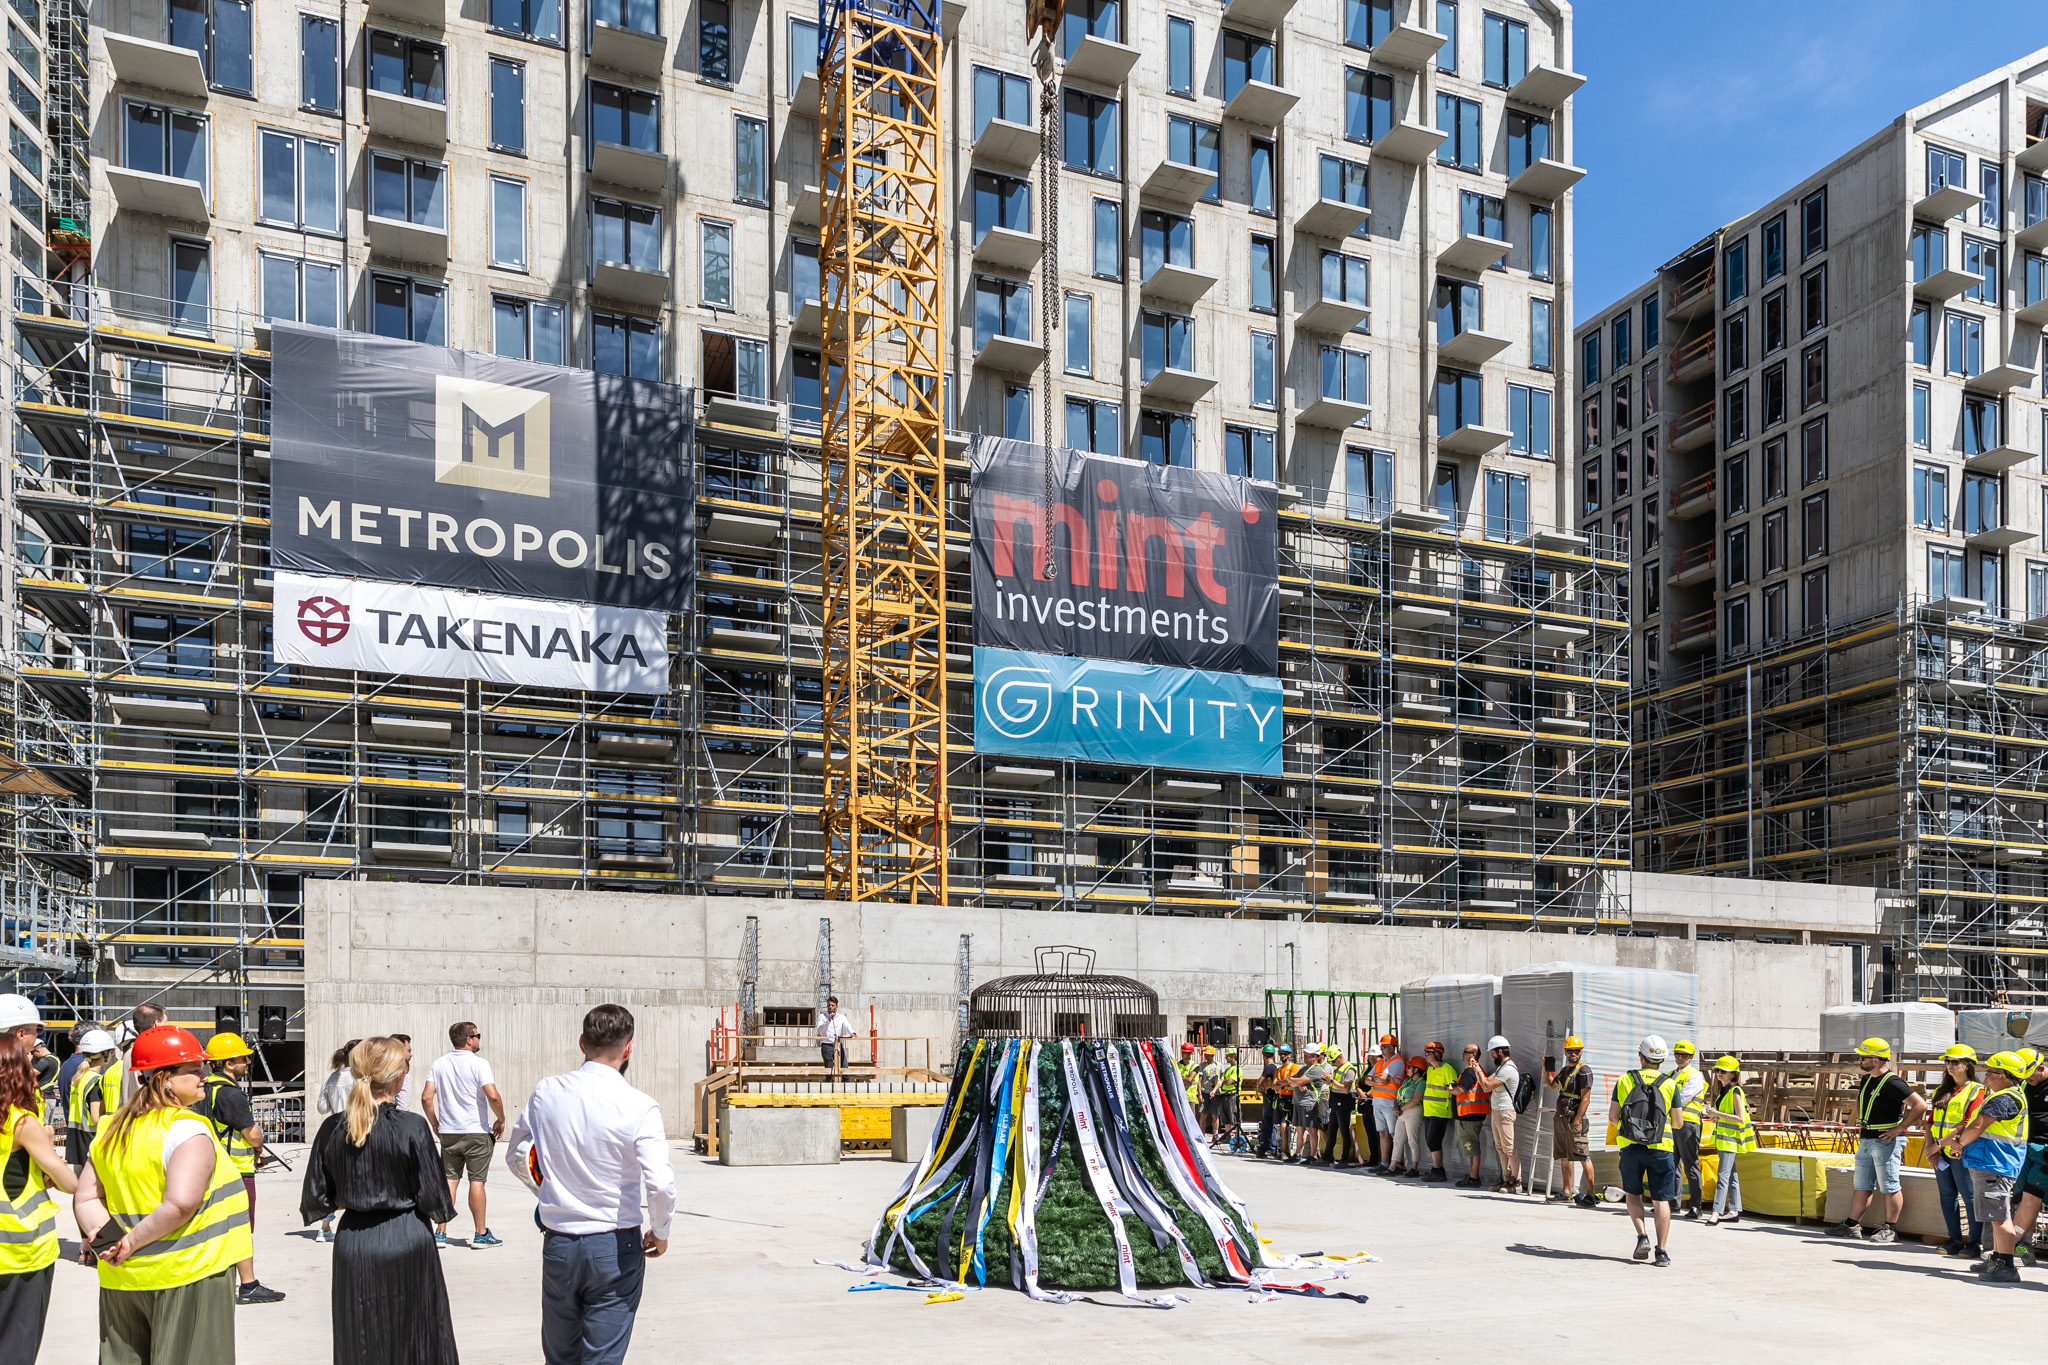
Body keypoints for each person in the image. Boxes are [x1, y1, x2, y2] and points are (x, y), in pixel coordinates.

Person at [506, 1004, 675, 1365]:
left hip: (560, 1243)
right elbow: (660, 1183)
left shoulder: (545, 1093)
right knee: (602, 1357)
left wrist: (550, 1191)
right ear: (628, 1048)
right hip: (614, 1245)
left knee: (561, 1355)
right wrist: (660, 1231)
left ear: (582, 1042)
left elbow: (517, 1155)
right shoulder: (640, 1106)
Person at [72, 1025, 253, 1363]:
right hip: (188, 1276)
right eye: (193, 1068)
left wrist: (110, 1243)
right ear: (163, 1078)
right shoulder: (187, 1128)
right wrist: (131, 1242)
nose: (203, 1074)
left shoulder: (113, 1129)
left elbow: (85, 1198)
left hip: (122, 1281)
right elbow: (180, 1204)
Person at [300, 1037, 458, 1365]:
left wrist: (356, 1194)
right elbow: (436, 1198)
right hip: (408, 1236)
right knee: (417, 1334)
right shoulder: (412, 1127)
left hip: (354, 1242)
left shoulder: (332, 1128)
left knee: (360, 1335)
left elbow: (317, 1197)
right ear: (400, 1077)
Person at [0, 1033, 77, 1361]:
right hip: (21, 1248)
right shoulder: (21, 1122)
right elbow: (68, 1183)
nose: (35, 1067)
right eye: (28, 1059)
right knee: (17, 1341)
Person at [195, 1031, 285, 1304]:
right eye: (242, 1058)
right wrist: (258, 1149)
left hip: (212, 1166)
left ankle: (216, 1283)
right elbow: (253, 1133)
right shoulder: (232, 1095)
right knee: (241, 1228)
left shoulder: (204, 1088)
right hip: (237, 1170)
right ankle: (248, 1285)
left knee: (217, 1226)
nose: (247, 1062)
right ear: (227, 1063)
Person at [1939, 1050, 2030, 1284]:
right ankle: (1998, 1258)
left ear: (2005, 1076)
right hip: (1991, 1162)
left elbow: (1978, 1125)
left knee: (2000, 1217)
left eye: (1991, 1072)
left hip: (1996, 1164)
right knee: (1995, 1215)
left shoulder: (2006, 1098)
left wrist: (1958, 1145)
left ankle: (2007, 1266)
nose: (1986, 1075)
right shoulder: (2003, 1095)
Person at [1826, 1037, 1928, 1243]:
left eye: (1864, 1057)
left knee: (1889, 1185)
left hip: (1885, 1141)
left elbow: (1920, 1105)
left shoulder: (1893, 1082)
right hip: (1867, 1139)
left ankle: (1890, 1228)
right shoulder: (1866, 1080)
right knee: (1862, 1184)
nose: (1860, 1061)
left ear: (1877, 1060)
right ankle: (1852, 1224)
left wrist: (1899, 1129)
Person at [422, 1020, 505, 1249]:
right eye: (478, 1035)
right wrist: (501, 1119)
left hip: (449, 1132)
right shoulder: (480, 1064)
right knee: (476, 1181)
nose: (479, 1039)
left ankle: (440, 1232)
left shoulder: (439, 1064)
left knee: (450, 1180)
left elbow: (426, 1097)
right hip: (476, 1132)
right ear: (469, 1039)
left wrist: (435, 1123)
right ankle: (480, 1234)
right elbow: (493, 1096)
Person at [1613, 1034, 1680, 1266]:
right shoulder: (1670, 1084)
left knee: (1633, 1194)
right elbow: (1679, 1123)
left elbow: (1613, 1117)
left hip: (1631, 1147)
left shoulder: (1624, 1081)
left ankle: (1642, 1236)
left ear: (1641, 1056)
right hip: (1661, 1149)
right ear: (1662, 1060)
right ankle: (1661, 1252)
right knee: (1661, 1200)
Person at [1924, 1043, 1985, 1258]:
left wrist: (1937, 1145)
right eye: (1947, 1062)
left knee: (1969, 1196)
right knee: (1947, 1195)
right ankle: (1954, 1239)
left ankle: (1975, 1242)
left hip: (1961, 1151)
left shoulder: (1977, 1091)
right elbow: (1930, 1122)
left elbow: (1968, 1124)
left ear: (1968, 1065)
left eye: (1955, 1062)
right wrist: (1929, 1148)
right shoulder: (1943, 1090)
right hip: (1941, 1151)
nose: (1949, 1066)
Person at [313, 1041, 361, 1243]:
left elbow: (322, 1107)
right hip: (354, 1130)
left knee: (332, 1180)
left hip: (333, 1131)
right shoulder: (359, 1079)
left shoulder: (331, 1078)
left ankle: (325, 1226)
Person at [2005, 1050, 2048, 1269]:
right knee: (2022, 1198)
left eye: (2031, 1075)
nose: (2028, 1079)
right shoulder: (2022, 1085)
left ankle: (2007, 1248)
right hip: (2024, 1147)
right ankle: (2025, 1247)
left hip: (2045, 1150)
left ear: (2041, 1068)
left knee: (2033, 1196)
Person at [1545, 1035, 1598, 1208]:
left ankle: (1590, 1195)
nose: (1573, 1053)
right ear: (1565, 1052)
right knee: (1565, 1156)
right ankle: (1566, 1192)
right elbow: (1552, 1085)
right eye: (1569, 1051)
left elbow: (1586, 1099)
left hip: (1574, 1119)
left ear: (1581, 1051)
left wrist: (1577, 1120)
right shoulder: (1566, 1070)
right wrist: (1547, 1069)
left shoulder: (1584, 1070)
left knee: (1583, 1156)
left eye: (1576, 1050)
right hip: (1561, 1117)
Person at [1704, 1056, 1757, 1225]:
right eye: (1717, 1071)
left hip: (1730, 1141)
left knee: (1723, 1176)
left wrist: (1717, 1114)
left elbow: (1740, 1118)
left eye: (1723, 1071)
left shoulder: (1735, 1091)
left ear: (1733, 1075)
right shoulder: (1724, 1091)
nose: (1719, 1074)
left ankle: (1716, 1212)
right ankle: (1734, 1210)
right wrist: (1716, 1118)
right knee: (1731, 1176)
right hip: (1724, 1139)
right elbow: (1729, 1116)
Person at [1471, 1035, 1523, 1193]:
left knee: (1509, 1148)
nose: (1491, 1055)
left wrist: (1477, 1068)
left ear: (1500, 1051)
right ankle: (1506, 1180)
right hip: (1497, 1111)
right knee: (1500, 1148)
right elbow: (1486, 1081)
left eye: (1492, 1052)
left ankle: (1518, 1182)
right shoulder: (1502, 1068)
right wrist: (1478, 1069)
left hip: (1505, 1111)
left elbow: (1486, 1086)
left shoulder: (1508, 1069)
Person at [65, 1030, 120, 1172]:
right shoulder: (95, 1081)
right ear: (105, 1054)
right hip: (90, 1138)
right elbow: (96, 1118)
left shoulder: (79, 1077)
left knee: (80, 1187)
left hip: (76, 1137)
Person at [1667, 1040, 1707, 1218]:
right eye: (1677, 1054)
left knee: (1690, 1165)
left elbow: (1681, 1098)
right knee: (1671, 1164)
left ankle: (1695, 1206)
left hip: (1688, 1124)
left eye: (1684, 1055)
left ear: (1691, 1057)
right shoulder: (1670, 1075)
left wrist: (1663, 1103)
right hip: (1672, 1124)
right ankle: (1673, 1203)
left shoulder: (1695, 1075)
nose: (1680, 1058)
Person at [1451, 1044, 1489, 1187]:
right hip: (1473, 1114)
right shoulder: (1477, 1070)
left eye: (1465, 1052)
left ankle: (1474, 1177)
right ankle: (1472, 1175)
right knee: (1471, 1146)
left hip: (1468, 1115)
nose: (1462, 1055)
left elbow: (1460, 1090)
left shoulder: (1470, 1071)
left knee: (1471, 1147)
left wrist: (1450, 1089)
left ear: (1472, 1055)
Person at [1365, 1035, 1405, 1172]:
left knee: (1394, 1134)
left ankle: (1398, 1164)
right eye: (1381, 1047)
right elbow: (1366, 1080)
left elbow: (1382, 1077)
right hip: (1378, 1101)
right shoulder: (1380, 1062)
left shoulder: (1397, 1062)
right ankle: (1384, 1163)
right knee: (1383, 1133)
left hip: (1390, 1102)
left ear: (1393, 1047)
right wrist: (1378, 1079)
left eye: (1385, 1047)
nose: (1382, 1049)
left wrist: (1376, 1079)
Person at [1420, 1041, 1457, 1183]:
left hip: (1440, 1111)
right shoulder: (1430, 1070)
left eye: (1428, 1053)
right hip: (1429, 1111)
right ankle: (1436, 1170)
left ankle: (1438, 1171)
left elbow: (1454, 1088)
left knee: (1434, 1141)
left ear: (1437, 1054)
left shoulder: (1447, 1069)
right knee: (1430, 1142)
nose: (1426, 1056)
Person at [117, 1003, 166, 1105]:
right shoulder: (153, 1051)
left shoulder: (129, 1053)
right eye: (165, 1022)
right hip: (150, 1116)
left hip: (133, 1115)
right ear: (157, 1023)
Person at [1253, 1043, 1281, 1157]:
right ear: (1273, 1055)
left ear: (1264, 1056)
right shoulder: (1275, 1067)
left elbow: (1259, 1081)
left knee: (1267, 1122)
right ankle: (1272, 1147)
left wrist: (1259, 1088)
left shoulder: (1269, 1067)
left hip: (1269, 1097)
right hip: (1274, 1097)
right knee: (1272, 1122)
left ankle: (1265, 1147)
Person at [816, 996, 856, 1078]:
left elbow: (847, 1026)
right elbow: (820, 1029)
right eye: (829, 1005)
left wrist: (852, 1032)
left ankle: (847, 1087)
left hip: (838, 1045)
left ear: (836, 1006)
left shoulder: (841, 1017)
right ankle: (829, 1087)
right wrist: (828, 1020)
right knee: (829, 1070)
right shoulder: (822, 1017)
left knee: (844, 1067)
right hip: (827, 1045)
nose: (830, 1007)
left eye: (832, 1005)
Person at [391, 1034, 416, 1113]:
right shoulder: (403, 1075)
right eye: (409, 1051)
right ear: (400, 1051)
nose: (411, 1054)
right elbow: (403, 1107)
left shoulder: (377, 1070)